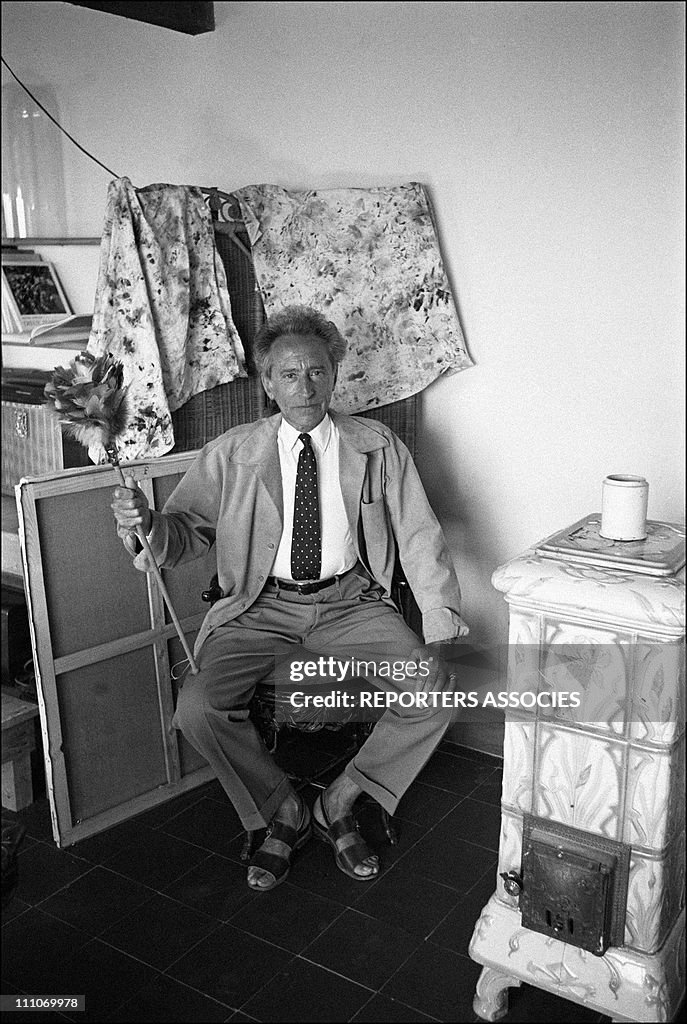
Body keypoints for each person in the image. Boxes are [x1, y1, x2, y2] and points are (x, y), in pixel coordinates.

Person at [111, 305, 468, 892]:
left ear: (335, 375)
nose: (305, 386)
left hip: (352, 604)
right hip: (257, 607)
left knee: (437, 688)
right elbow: (178, 538)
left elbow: (421, 536)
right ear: (267, 382)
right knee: (197, 708)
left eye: (318, 371)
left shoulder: (377, 447)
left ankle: (339, 801)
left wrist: (440, 624)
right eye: (290, 374)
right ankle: (285, 808)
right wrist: (145, 522)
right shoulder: (232, 453)